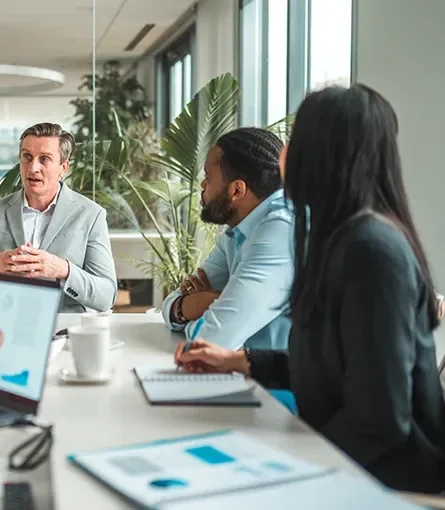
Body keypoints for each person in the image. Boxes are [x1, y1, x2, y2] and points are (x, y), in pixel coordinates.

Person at [175, 85, 445, 494]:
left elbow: (380, 419)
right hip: (345, 457)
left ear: (325, 156)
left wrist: (288, 465)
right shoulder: (337, 237)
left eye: (297, 141)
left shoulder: (373, 251)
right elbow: (338, 365)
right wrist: (241, 361)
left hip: (390, 481)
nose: (283, 156)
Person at [0, 122, 117, 313]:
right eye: (27, 157)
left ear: (63, 167)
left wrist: (63, 270)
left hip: (66, 325)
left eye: (45, 159)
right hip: (4, 322)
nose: (33, 168)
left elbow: (106, 297)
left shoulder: (91, 215)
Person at [162, 128, 294, 350]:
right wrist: (196, 305)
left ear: (236, 190)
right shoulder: (237, 232)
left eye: (208, 177)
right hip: (246, 365)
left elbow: (210, 340)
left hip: (282, 371)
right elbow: (170, 306)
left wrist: (205, 307)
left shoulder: (280, 229)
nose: (202, 185)